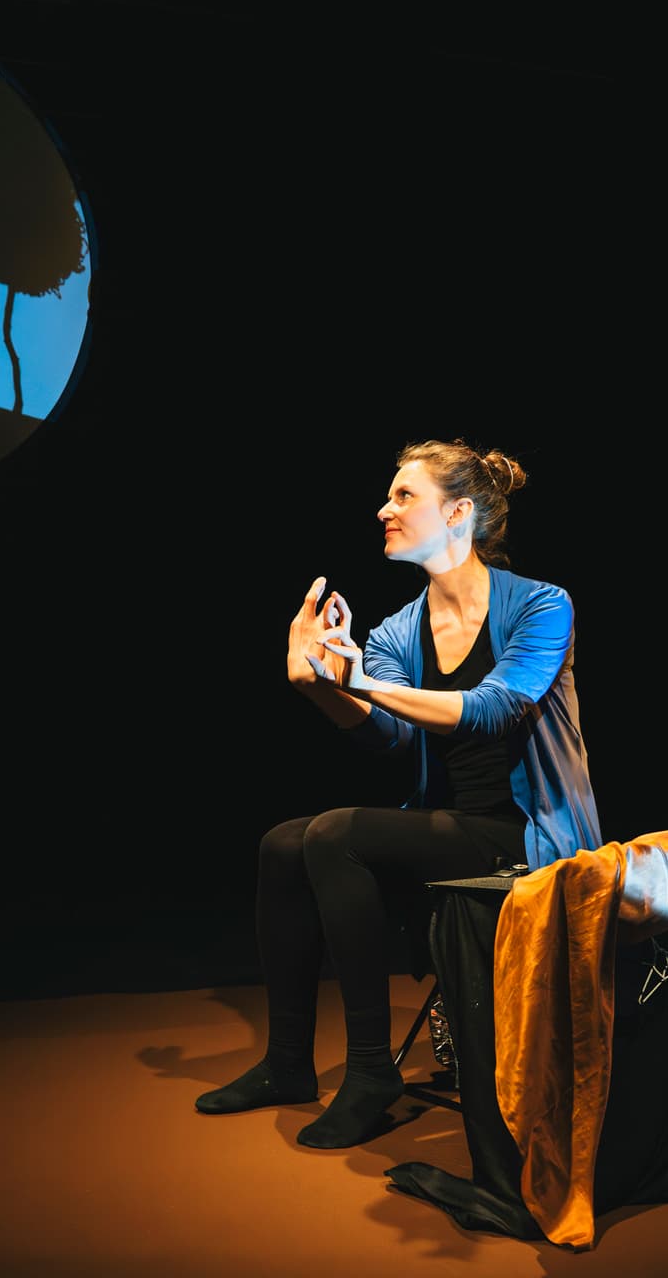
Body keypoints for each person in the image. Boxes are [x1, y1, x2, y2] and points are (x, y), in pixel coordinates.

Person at [195, 437, 603, 1148]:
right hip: (452, 826)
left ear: (458, 513)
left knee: (336, 833)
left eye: (404, 495)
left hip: (528, 833)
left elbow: (495, 708)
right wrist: (317, 685)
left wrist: (360, 681)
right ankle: (287, 1063)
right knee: (283, 843)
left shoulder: (542, 605)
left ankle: (369, 1071)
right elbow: (387, 735)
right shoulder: (397, 631)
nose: (384, 509)